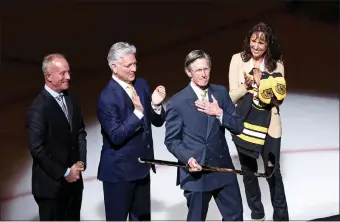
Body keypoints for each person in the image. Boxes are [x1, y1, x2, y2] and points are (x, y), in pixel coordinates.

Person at [164, 50, 244, 221]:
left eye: (206, 69)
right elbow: (172, 140)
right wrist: (188, 158)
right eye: (198, 70)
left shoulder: (221, 93)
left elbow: (238, 126)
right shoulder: (177, 102)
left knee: (235, 217)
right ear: (189, 72)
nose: (203, 74)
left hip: (223, 168)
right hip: (196, 172)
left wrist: (220, 113)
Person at [96, 42, 166, 221]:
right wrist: (138, 113)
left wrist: (155, 105)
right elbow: (116, 136)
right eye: (128, 65)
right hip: (119, 174)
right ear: (114, 66)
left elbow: (157, 121)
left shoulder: (141, 84)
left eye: (135, 64)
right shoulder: (106, 97)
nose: (133, 69)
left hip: (142, 168)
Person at [228, 22, 289, 221]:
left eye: (261, 43)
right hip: (244, 124)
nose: (256, 46)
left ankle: (281, 217)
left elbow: (278, 98)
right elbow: (231, 97)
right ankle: (257, 215)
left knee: (273, 172)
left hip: (269, 126)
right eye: (253, 41)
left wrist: (261, 83)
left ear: (268, 45)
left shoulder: (276, 64)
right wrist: (246, 86)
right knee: (248, 172)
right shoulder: (237, 60)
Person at [26, 53, 87, 220]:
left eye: (68, 72)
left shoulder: (71, 100)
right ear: (48, 76)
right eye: (62, 73)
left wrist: (81, 162)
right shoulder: (38, 109)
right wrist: (65, 172)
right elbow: (37, 148)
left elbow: (80, 132)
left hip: (74, 185)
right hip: (51, 189)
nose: (68, 77)